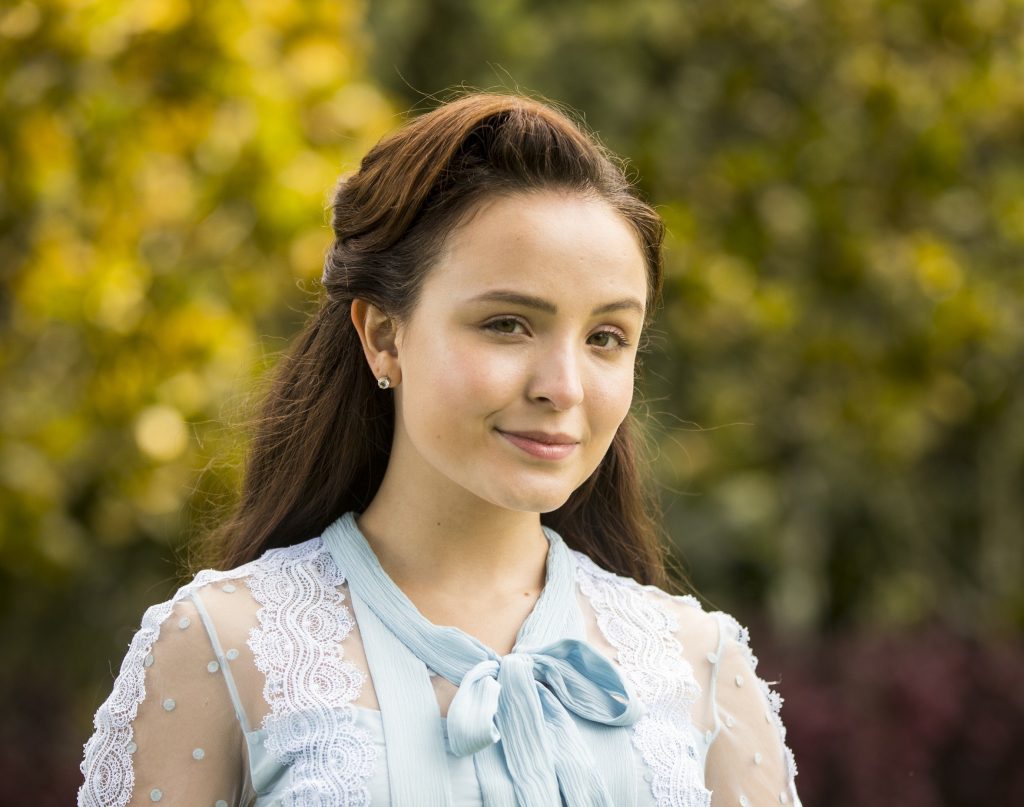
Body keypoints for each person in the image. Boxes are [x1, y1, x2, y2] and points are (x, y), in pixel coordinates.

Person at [77, 92, 801, 807]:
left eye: (606, 337)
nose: (564, 386)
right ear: (384, 335)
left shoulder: (700, 665)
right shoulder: (226, 644)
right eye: (508, 324)